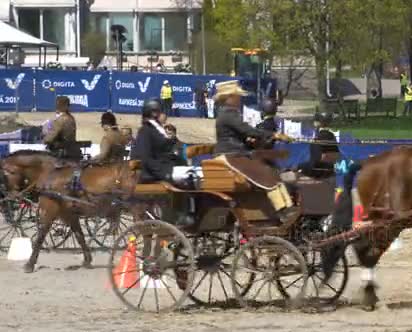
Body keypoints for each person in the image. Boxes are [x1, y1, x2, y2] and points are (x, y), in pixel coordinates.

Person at [213, 80, 296, 222]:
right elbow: (247, 130)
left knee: (269, 171)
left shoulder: (230, 113)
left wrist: (249, 140)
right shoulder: (228, 114)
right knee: (264, 173)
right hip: (230, 155)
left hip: (238, 154)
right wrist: (273, 135)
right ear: (229, 98)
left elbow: (242, 133)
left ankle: (287, 206)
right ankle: (281, 209)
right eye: (237, 96)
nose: (240, 99)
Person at [131, 98, 194, 225]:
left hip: (165, 168)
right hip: (152, 173)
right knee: (188, 177)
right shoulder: (146, 131)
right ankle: (181, 213)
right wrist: (165, 173)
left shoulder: (158, 130)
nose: (166, 116)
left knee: (193, 175)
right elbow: (146, 158)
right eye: (164, 112)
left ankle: (190, 212)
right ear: (154, 113)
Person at [299, 112, 339, 177]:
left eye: (315, 121)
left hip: (319, 168)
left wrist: (317, 165)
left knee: (297, 168)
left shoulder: (325, 136)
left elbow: (331, 156)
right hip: (320, 166)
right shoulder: (326, 135)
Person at [44, 96, 80, 160]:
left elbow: (48, 140)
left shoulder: (59, 120)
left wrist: (44, 135)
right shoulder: (71, 118)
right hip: (72, 150)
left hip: (60, 153)